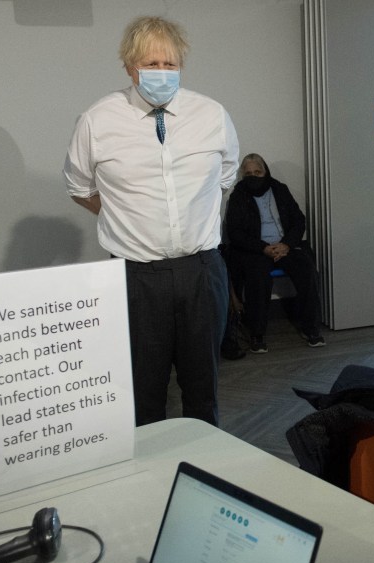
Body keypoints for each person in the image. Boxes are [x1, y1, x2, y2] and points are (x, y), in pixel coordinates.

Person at [64, 16, 239, 427]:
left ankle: (203, 469)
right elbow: (78, 186)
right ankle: (150, 478)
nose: (161, 72)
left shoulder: (211, 115)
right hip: (136, 277)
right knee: (143, 391)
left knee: (203, 388)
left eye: (170, 63)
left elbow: (225, 177)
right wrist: (124, 216)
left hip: (202, 270)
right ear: (128, 65)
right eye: (150, 63)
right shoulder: (98, 120)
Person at [223, 153, 324, 353]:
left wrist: (286, 244)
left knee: (307, 271)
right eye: (249, 173)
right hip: (257, 250)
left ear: (265, 171)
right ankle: (257, 334)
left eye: (257, 172)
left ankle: (311, 329)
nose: (253, 177)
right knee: (258, 277)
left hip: (285, 246)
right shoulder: (238, 195)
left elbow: (298, 220)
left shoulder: (279, 189)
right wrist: (263, 248)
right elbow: (235, 233)